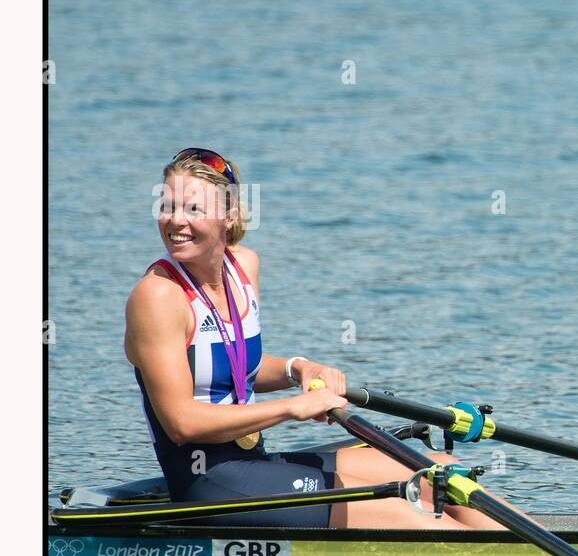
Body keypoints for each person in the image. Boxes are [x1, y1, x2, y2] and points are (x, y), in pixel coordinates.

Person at [124, 148, 500, 529]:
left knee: (444, 472)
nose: (175, 221)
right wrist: (291, 407)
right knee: (411, 504)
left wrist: (298, 368)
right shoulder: (157, 296)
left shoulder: (243, 266)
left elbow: (235, 364)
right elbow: (181, 423)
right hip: (209, 485)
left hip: (253, 464)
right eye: (167, 206)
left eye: (193, 209)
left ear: (229, 214)